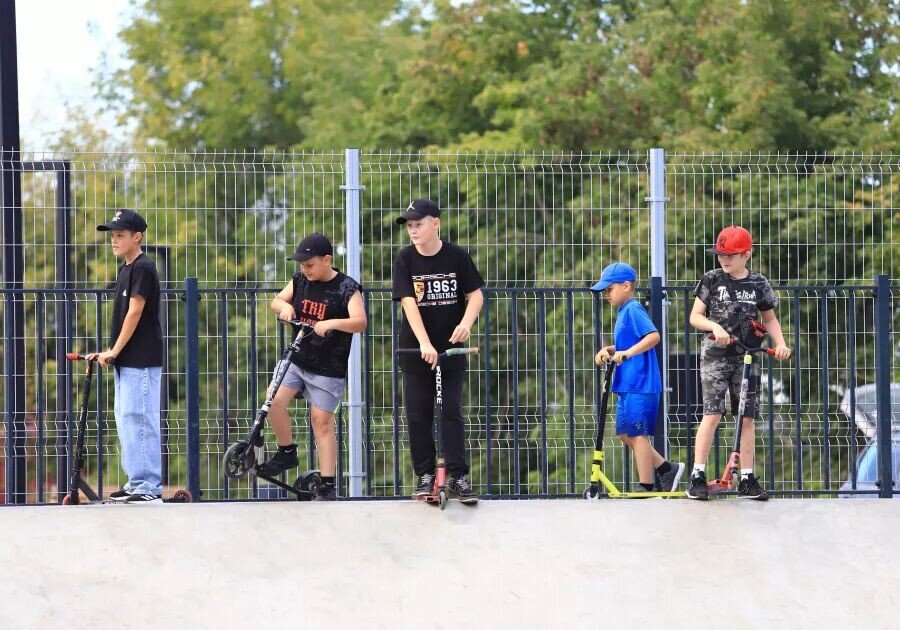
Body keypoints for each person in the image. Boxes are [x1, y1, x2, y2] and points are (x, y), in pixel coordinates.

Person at [685, 226, 791, 501]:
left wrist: (780, 344)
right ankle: (697, 475)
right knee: (712, 413)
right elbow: (695, 317)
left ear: (746, 255)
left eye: (730, 255)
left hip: (747, 356)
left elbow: (769, 318)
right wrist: (714, 326)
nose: (724, 259)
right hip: (715, 356)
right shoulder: (712, 279)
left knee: (746, 417)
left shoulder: (758, 283)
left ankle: (746, 478)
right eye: (720, 254)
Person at [259, 233, 367, 500]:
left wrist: (332, 323)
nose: (304, 270)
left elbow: (360, 322)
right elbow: (277, 300)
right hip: (297, 358)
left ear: (327, 260)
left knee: (321, 422)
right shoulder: (299, 281)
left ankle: (327, 483)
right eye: (301, 265)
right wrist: (283, 308)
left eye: (309, 265)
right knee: (273, 400)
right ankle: (286, 451)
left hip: (328, 366)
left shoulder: (347, 288)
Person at [392, 199, 484, 503]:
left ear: (436, 224)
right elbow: (408, 303)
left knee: (450, 413)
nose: (413, 230)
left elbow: (476, 295)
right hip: (417, 350)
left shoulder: (456, 256)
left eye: (419, 224)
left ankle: (457, 476)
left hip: (450, 352)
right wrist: (424, 343)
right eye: (410, 225)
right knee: (418, 414)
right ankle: (425, 474)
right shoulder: (405, 259)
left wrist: (466, 324)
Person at [89, 209, 164, 503]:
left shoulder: (144, 267)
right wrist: (109, 353)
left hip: (141, 359)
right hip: (126, 360)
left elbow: (135, 312)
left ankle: (148, 486)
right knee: (126, 419)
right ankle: (136, 482)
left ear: (137, 237)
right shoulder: (126, 269)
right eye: (112, 235)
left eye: (120, 235)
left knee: (141, 419)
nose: (114, 240)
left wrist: (114, 351)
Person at [591, 262, 685, 494]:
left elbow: (653, 336)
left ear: (626, 286)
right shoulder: (623, 311)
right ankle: (666, 469)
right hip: (627, 384)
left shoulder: (633, 309)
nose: (606, 294)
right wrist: (610, 350)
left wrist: (627, 353)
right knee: (625, 435)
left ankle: (646, 485)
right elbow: (628, 344)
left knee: (637, 435)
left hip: (640, 384)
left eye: (609, 289)